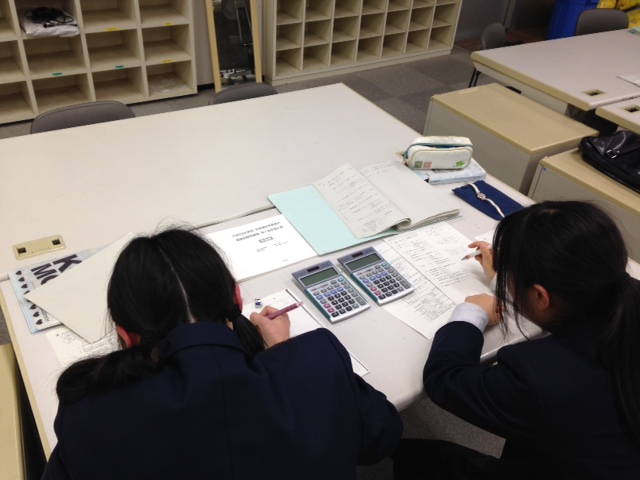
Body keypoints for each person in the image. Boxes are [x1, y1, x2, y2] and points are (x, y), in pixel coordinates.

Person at [42, 228, 402, 479]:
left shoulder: (89, 411)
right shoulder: (315, 364)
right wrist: (283, 352)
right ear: (237, 298)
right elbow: (381, 436)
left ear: (126, 336)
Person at [392, 201, 640, 479]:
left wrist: (471, 314)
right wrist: (510, 280)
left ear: (541, 296)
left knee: (410, 456)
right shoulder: (620, 294)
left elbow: (445, 380)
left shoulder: (540, 376)